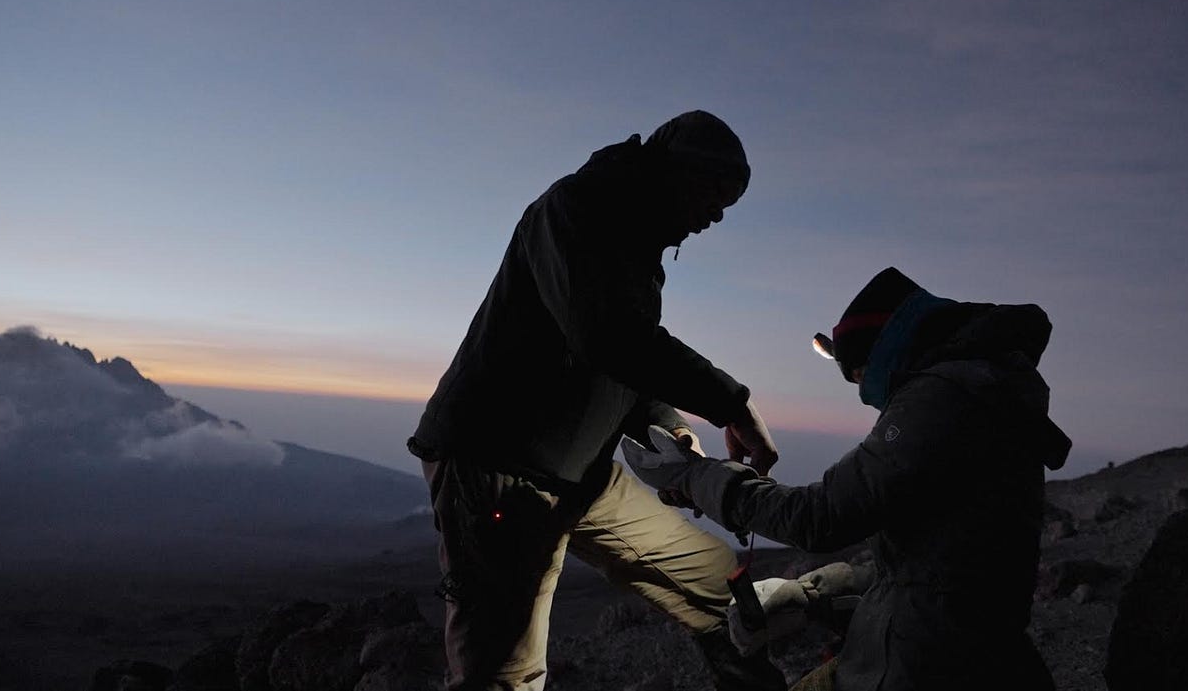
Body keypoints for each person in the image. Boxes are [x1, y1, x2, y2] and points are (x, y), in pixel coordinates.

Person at [407, 110, 786, 691]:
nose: (716, 216)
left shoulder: (638, 250)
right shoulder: (575, 209)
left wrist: (672, 433)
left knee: (715, 582)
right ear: (674, 170)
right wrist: (732, 403)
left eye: (727, 205)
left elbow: (618, 365)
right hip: (497, 470)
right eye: (714, 194)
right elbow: (607, 336)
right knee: (505, 673)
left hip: (581, 475)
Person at [622, 266, 1071, 691]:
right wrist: (809, 595)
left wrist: (696, 475)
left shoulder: (943, 399)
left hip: (922, 672)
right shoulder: (979, 388)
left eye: (859, 375)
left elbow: (821, 517)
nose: (862, 393)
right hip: (950, 655)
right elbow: (925, 569)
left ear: (885, 349)